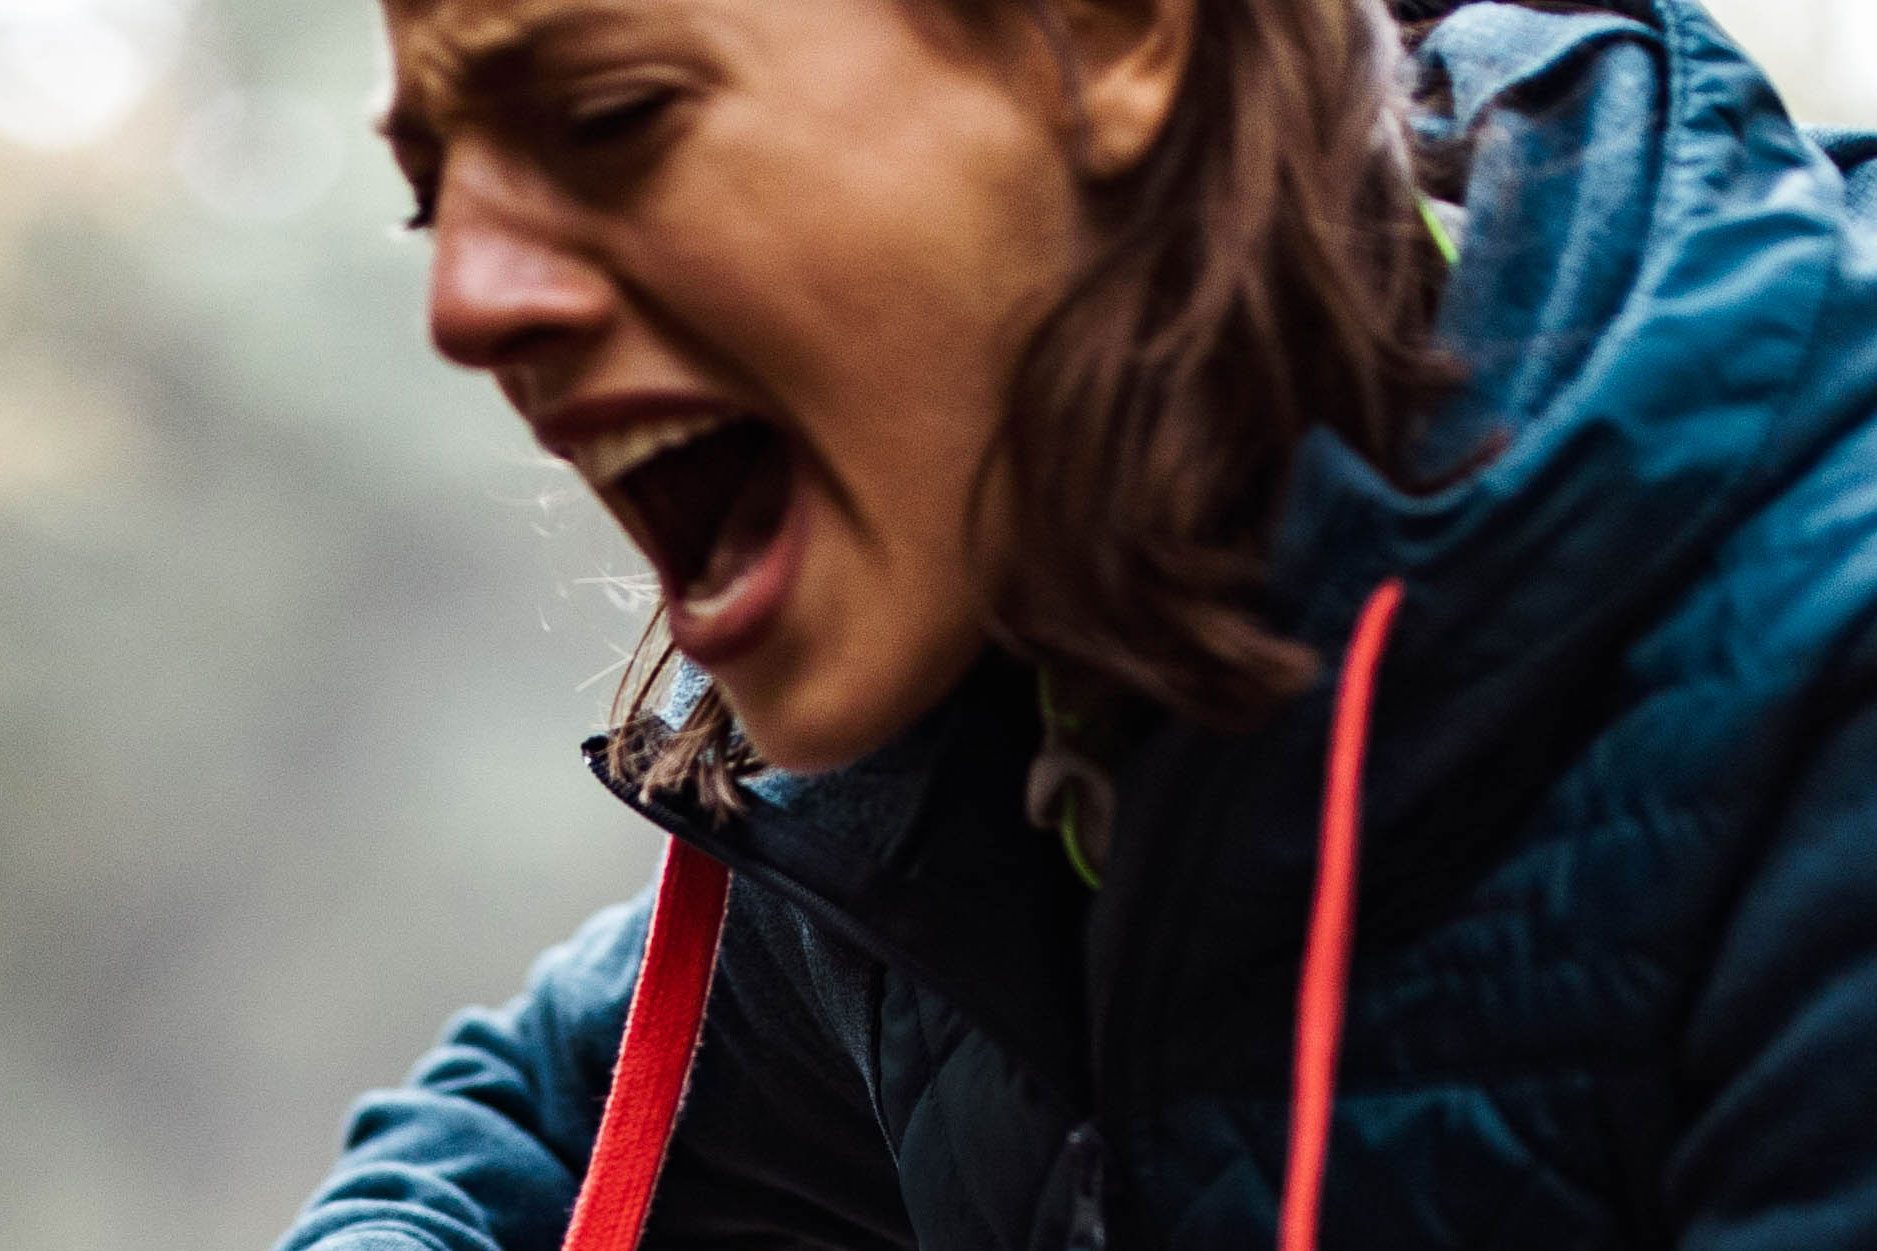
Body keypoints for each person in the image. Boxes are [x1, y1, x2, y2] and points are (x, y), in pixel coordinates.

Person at [275, 0, 1877, 1246]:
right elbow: (540, 1118)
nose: (463, 305)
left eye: (611, 117)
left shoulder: (1815, 679)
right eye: (433, 198)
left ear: (1115, 43)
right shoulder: (1008, 711)